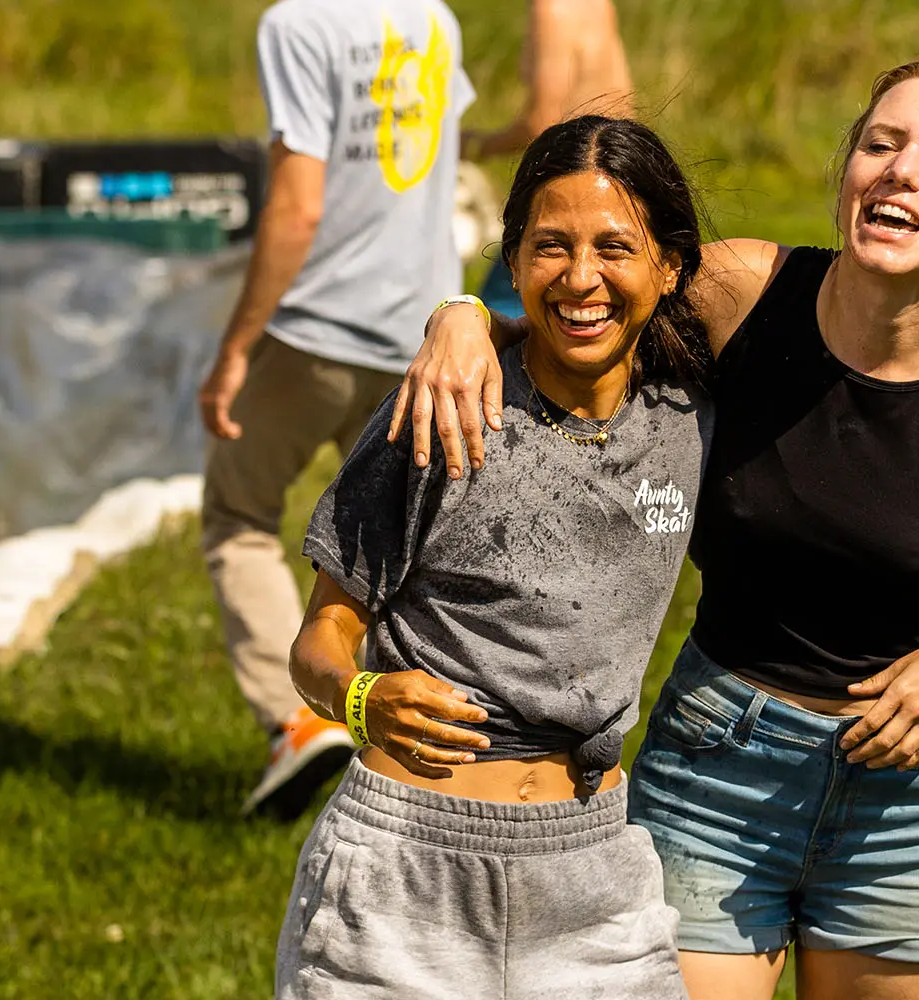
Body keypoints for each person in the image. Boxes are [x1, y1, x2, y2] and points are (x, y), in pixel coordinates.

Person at [390, 51, 919, 1000]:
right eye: (880, 144)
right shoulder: (740, 298)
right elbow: (582, 294)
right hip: (719, 770)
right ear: (847, 171)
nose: (900, 172)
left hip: (915, 800)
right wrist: (465, 313)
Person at [275, 115, 713, 999]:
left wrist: (464, 310)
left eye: (615, 247)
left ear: (668, 267)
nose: (581, 278)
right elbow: (320, 635)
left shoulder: (694, 414)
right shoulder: (438, 410)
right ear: (512, 262)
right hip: (402, 873)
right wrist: (360, 697)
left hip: (594, 881)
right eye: (550, 247)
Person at [196, 0, 474, 817]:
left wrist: (237, 346)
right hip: (418, 341)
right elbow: (435, 152)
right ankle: (420, 751)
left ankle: (297, 724)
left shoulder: (298, 24)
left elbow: (298, 205)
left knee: (238, 515)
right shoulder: (434, 17)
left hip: (315, 330)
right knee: (405, 555)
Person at [465, 0, 636, 317]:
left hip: (570, 186)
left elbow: (543, 121)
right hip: (612, 173)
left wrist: (475, 145)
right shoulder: (597, 5)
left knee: (496, 314)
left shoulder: (552, 8)